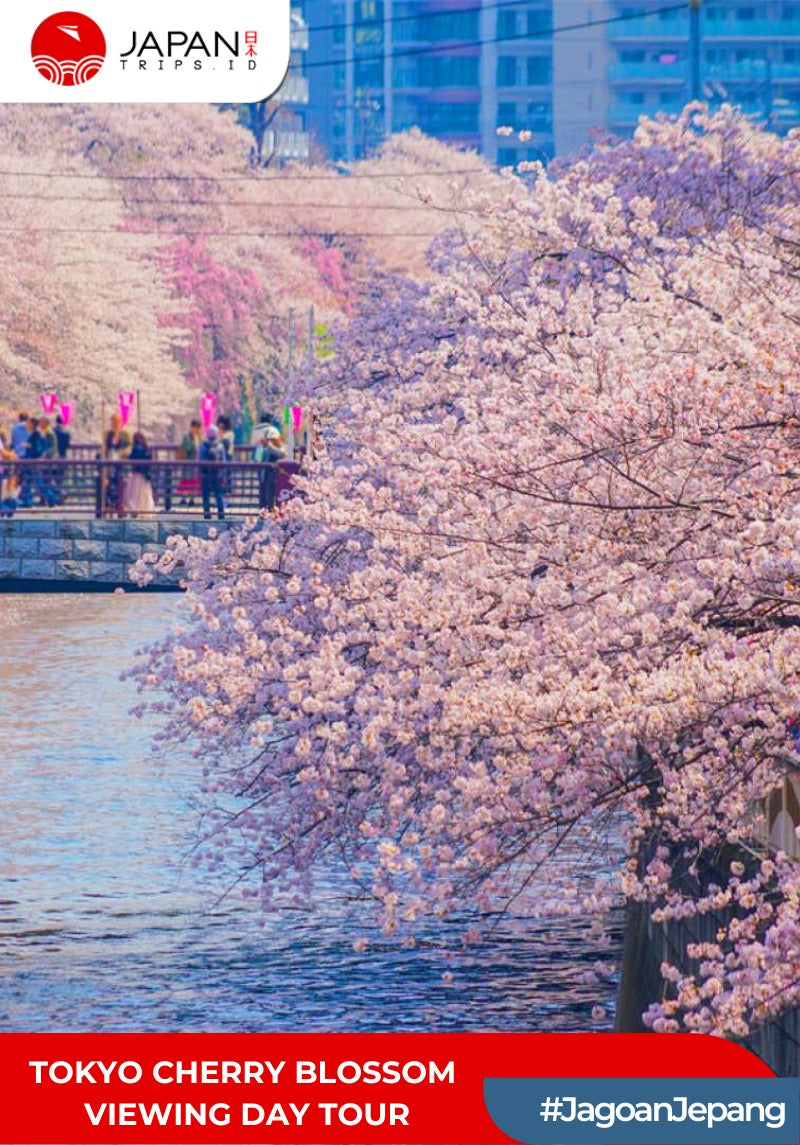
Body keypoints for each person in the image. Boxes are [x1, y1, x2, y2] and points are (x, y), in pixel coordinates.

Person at [253, 425, 286, 511]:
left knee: (272, 498)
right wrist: (261, 448)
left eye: (274, 440)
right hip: (264, 475)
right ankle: (263, 514)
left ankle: (271, 514)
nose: (272, 442)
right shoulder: (263, 447)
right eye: (270, 440)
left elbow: (282, 454)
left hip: (276, 477)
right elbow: (257, 458)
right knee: (263, 497)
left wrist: (269, 446)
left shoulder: (281, 448)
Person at [104, 413, 131, 517]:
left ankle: (119, 507)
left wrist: (123, 452)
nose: (114, 423)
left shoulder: (125, 434)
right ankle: (109, 506)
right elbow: (104, 448)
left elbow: (129, 447)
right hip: (110, 463)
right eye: (112, 421)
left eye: (116, 421)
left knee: (120, 485)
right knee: (109, 484)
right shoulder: (108, 434)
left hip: (121, 464)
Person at [123, 431, 155, 517]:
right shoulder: (146, 448)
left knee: (133, 493)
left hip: (137, 473)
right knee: (144, 493)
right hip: (145, 474)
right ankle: (145, 510)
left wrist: (125, 455)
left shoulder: (135, 448)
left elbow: (132, 458)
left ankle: (135, 509)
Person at [199, 424, 226, 520]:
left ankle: (207, 514)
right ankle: (221, 515)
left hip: (206, 475)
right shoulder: (220, 446)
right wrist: (224, 475)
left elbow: (199, 460)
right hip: (217, 475)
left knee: (206, 496)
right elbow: (223, 462)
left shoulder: (202, 446)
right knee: (219, 496)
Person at [176, 418, 202, 506]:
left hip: (196, 463)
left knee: (194, 481)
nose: (197, 430)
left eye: (198, 428)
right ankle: (184, 498)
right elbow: (186, 448)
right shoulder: (187, 436)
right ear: (192, 427)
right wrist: (193, 444)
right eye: (196, 428)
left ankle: (192, 498)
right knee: (186, 480)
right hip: (188, 462)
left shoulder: (198, 436)